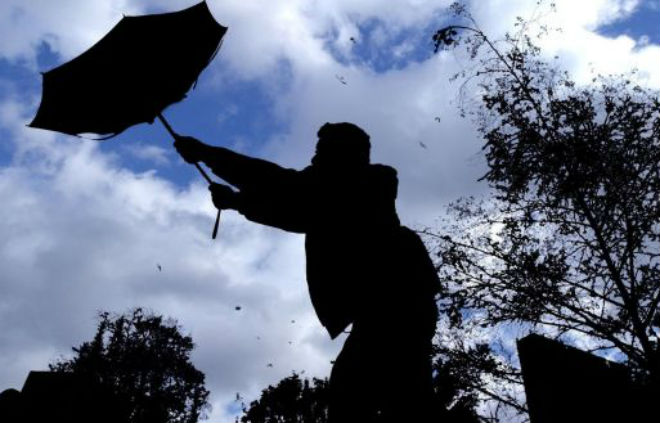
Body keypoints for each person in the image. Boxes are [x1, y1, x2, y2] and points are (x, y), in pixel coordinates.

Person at [174, 122, 440, 422]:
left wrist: (210, 158)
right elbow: (295, 206)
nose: (314, 157)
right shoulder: (351, 189)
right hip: (395, 308)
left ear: (343, 154)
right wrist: (237, 200)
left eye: (322, 151)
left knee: (358, 398)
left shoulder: (365, 183)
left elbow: (287, 191)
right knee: (397, 398)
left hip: (395, 307)